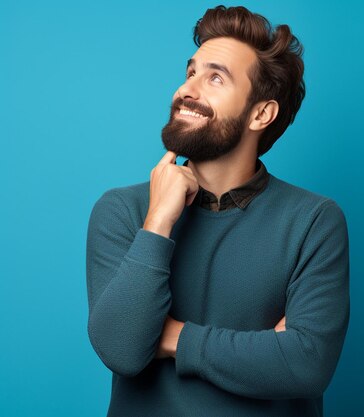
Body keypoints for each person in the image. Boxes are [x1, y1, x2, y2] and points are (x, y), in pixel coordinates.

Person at [85, 5, 350, 417]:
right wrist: (158, 222)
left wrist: (172, 337)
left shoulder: (314, 220)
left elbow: (305, 364)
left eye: (215, 78)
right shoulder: (123, 210)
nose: (187, 90)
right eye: (191, 72)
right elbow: (121, 348)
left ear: (261, 113)